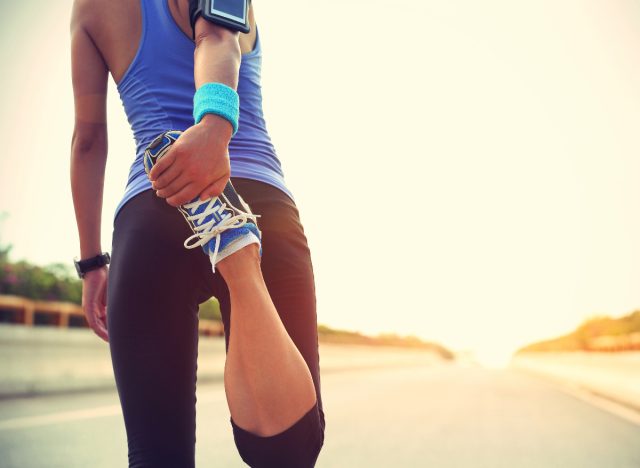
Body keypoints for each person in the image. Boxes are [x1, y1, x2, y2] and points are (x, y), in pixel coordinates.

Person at [69, 0, 325, 466]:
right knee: (291, 448)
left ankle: (234, 251)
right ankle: (239, 260)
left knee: (155, 454)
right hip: (250, 198)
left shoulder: (88, 9)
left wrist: (92, 264)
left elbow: (87, 139)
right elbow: (217, 37)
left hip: (151, 206)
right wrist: (213, 127)